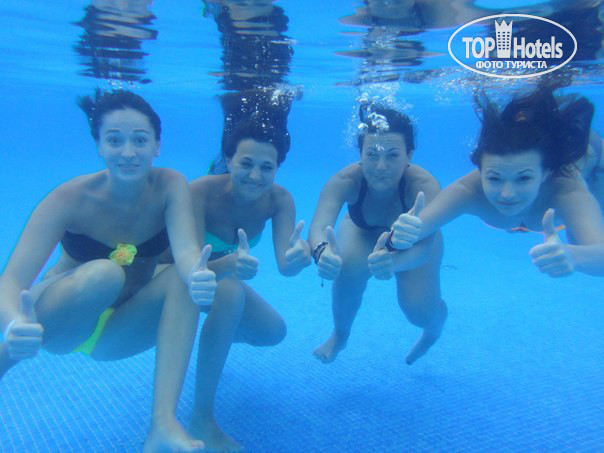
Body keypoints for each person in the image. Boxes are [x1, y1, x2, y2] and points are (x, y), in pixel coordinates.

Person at [0, 90, 216, 451]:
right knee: (105, 273)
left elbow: (186, 252)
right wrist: (14, 324)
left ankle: (162, 425)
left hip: (117, 331)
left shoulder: (171, 186)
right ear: (99, 146)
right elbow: (10, 280)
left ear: (157, 145)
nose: (128, 152)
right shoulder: (69, 199)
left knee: (182, 282)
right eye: (115, 140)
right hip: (61, 320)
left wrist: (198, 275)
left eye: (139, 140)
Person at [150, 113, 311, 452]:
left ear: (278, 167)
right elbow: (191, 265)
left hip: (215, 277)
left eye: (266, 167)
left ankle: (213, 338)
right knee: (232, 292)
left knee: (272, 332)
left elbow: (285, 266)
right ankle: (202, 419)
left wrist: (300, 257)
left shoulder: (279, 201)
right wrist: (228, 264)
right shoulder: (200, 192)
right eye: (246, 163)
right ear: (228, 159)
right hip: (169, 275)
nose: (255, 176)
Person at [390, 87, 604, 278]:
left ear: (545, 173)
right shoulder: (469, 191)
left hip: (595, 162)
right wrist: (399, 235)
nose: (507, 194)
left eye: (523, 178)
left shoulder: (567, 192)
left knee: (580, 239)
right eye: (494, 178)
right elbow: (413, 231)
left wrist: (573, 255)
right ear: (481, 170)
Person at [308, 103, 447, 366]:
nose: (381, 166)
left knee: (418, 312)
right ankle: (340, 335)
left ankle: (433, 329)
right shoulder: (345, 181)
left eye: (392, 155)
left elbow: (424, 249)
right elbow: (318, 227)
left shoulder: (424, 186)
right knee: (346, 270)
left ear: (409, 155)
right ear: (360, 154)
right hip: (362, 230)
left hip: (415, 243)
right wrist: (321, 253)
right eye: (372, 155)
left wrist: (394, 263)